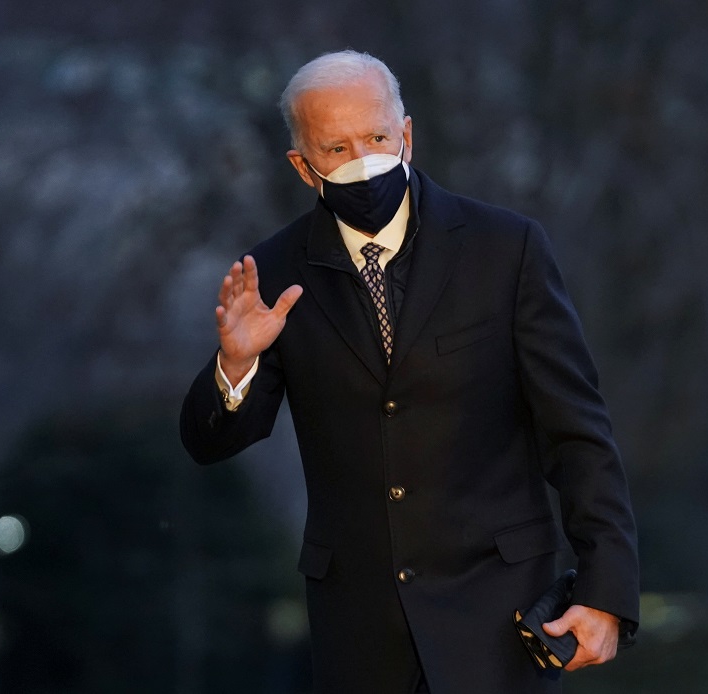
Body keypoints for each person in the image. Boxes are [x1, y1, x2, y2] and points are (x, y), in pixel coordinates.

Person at [180, 49, 639, 694]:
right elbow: (210, 441)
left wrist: (606, 591)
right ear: (302, 166)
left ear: (408, 135)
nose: (364, 159)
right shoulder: (273, 275)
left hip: (500, 615)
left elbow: (578, 432)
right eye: (337, 147)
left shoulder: (506, 249)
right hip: (360, 631)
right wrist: (237, 361)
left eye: (376, 137)